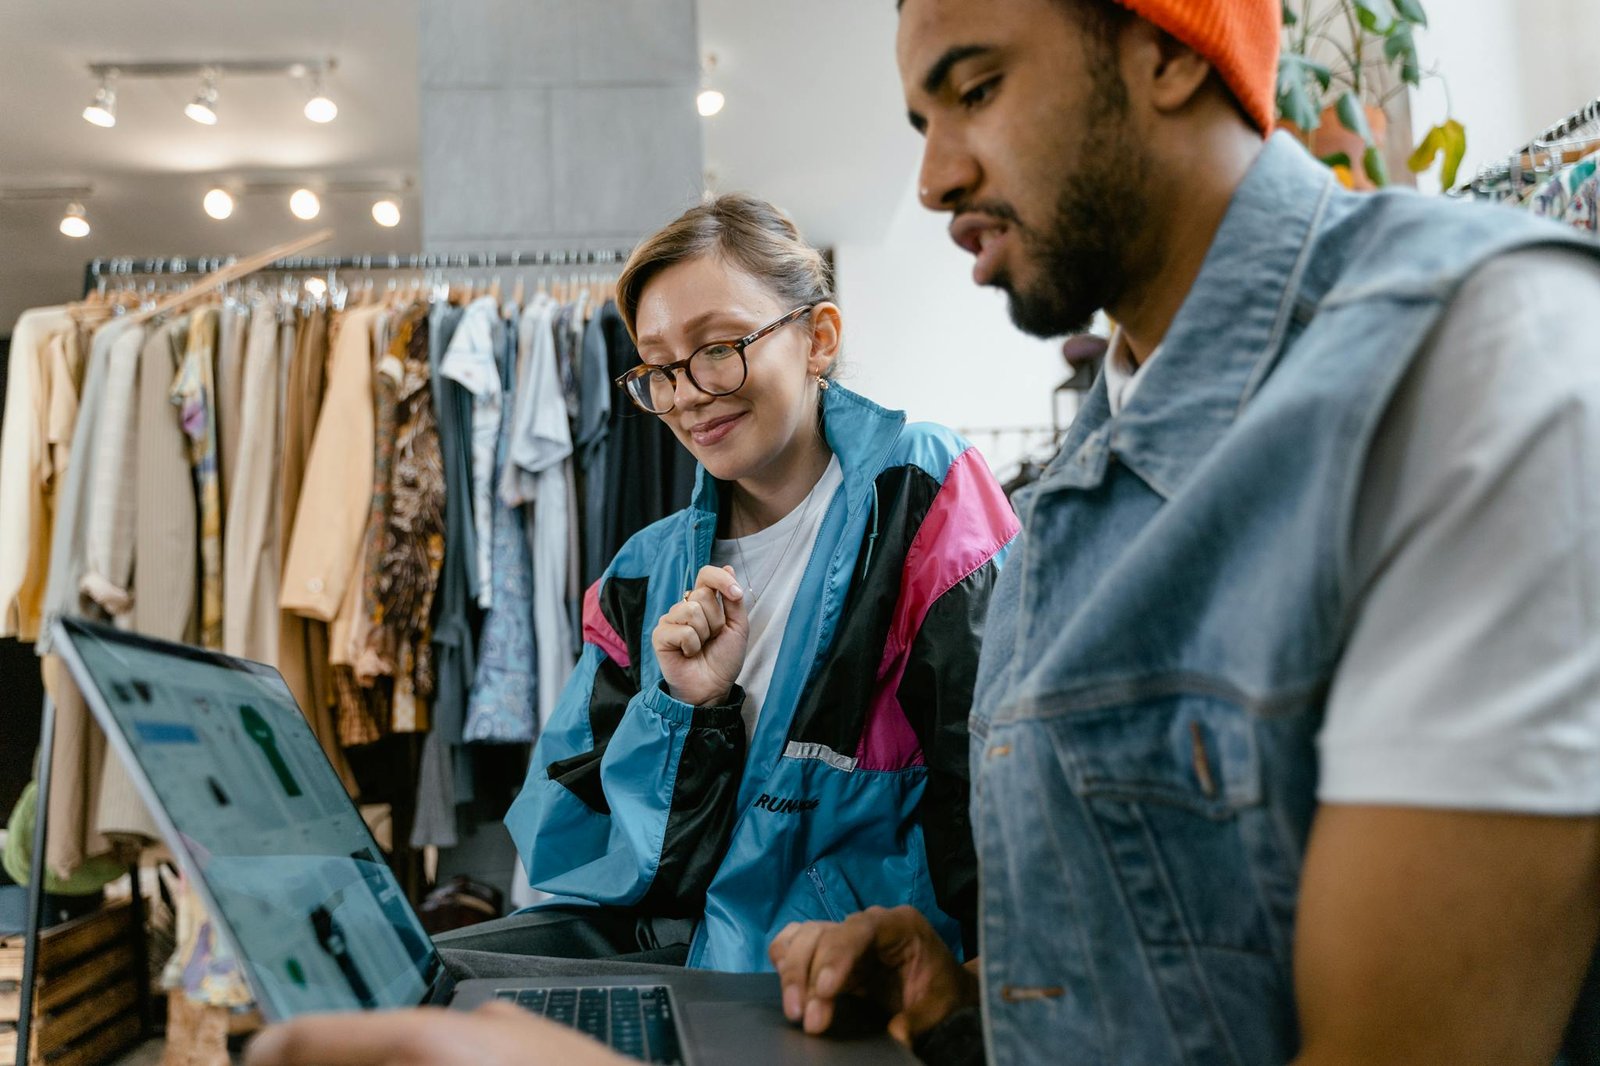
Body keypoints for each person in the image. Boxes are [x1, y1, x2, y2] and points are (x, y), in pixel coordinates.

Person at [249, 0, 1600, 1063]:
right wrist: (957, 1004)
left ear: (1170, 50)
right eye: (919, 114)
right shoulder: (1091, 470)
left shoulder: (1468, 360)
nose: (939, 172)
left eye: (978, 85)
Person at [429, 193, 1017, 974]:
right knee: (413, 985)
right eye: (660, 368)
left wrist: (989, 1012)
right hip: (695, 974)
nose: (688, 394)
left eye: (718, 347)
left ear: (819, 338)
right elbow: (570, 847)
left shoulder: (921, 493)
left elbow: (996, 786)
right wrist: (688, 713)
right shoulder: (640, 575)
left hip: (851, 990)